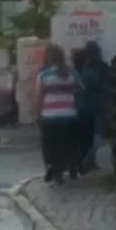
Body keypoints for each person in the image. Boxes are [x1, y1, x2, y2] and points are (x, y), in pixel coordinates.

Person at [37, 43, 83, 184]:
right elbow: (82, 88)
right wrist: (69, 93)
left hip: (49, 115)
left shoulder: (44, 75)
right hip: (68, 115)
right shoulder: (71, 73)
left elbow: (40, 96)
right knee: (67, 143)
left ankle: (55, 170)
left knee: (50, 145)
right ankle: (71, 168)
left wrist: (38, 114)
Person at [79, 41, 107, 171]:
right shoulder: (102, 67)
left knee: (87, 135)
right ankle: (89, 160)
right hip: (98, 105)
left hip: (83, 106)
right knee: (97, 135)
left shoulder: (82, 69)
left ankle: (86, 160)